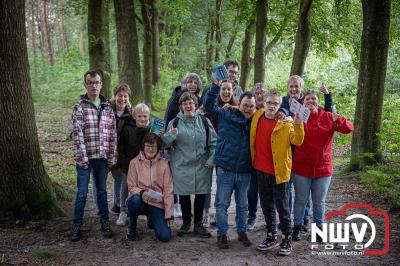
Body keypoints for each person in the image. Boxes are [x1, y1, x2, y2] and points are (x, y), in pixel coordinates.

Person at [291, 89, 353, 241]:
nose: (310, 102)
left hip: (323, 168)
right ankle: (297, 227)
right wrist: (296, 121)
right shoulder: (298, 117)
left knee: (319, 201)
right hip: (301, 167)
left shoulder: (327, 116)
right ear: (302, 102)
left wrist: (339, 119)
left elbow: (349, 129)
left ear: (318, 102)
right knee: (300, 200)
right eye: (307, 100)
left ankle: (319, 230)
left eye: (313, 99)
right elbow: (292, 137)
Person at [250, 91, 304, 256]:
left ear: (280, 105)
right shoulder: (257, 116)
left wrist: (298, 123)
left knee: (282, 207)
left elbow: (298, 141)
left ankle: (286, 238)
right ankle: (271, 235)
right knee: (266, 206)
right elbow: (241, 107)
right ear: (263, 103)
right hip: (260, 170)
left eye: (275, 103)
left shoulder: (286, 124)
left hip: (279, 172)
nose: (272, 106)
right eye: (269, 103)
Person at [204, 80, 256, 249]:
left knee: (242, 204)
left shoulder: (256, 122)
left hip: (244, 170)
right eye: (245, 105)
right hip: (225, 168)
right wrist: (214, 86)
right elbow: (208, 105)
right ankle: (222, 233)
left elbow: (272, 108)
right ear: (238, 104)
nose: (248, 109)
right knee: (222, 203)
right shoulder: (225, 114)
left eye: (251, 106)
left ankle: (242, 232)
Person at [279, 75, 333, 232]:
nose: (294, 89)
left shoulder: (306, 103)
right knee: (289, 191)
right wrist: (283, 112)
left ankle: (304, 220)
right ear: (287, 88)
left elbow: (326, 114)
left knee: (307, 195)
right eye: (291, 86)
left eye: (297, 87)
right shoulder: (284, 100)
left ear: (301, 88)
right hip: (288, 153)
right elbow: (280, 109)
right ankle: (288, 220)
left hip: (303, 154)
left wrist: (327, 96)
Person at [70, 69, 117, 242]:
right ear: (85, 85)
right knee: (82, 192)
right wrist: (82, 157)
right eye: (90, 83)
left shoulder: (107, 107)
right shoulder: (79, 106)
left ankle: (104, 222)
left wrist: (112, 156)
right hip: (85, 157)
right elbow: (77, 133)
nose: (94, 86)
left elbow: (112, 134)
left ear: (101, 85)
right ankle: (76, 224)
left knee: (102, 191)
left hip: (103, 158)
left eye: (96, 82)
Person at [162, 92, 217, 238]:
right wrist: (170, 135)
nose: (188, 106)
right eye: (185, 104)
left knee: (201, 193)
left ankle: (198, 224)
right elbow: (164, 144)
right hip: (181, 164)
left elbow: (214, 143)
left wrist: (212, 159)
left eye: (191, 103)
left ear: (195, 105)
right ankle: (186, 223)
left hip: (202, 163)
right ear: (181, 106)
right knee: (184, 194)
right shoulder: (174, 122)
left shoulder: (205, 121)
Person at [163, 73, 203, 218]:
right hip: (175, 138)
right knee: (175, 175)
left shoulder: (198, 99)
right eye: (189, 82)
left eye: (195, 82)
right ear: (184, 84)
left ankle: (197, 213)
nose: (192, 85)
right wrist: (168, 138)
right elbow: (168, 118)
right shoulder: (176, 98)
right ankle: (176, 204)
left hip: (192, 143)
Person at [200, 79, 238, 228]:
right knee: (207, 185)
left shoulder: (237, 109)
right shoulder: (211, 108)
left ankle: (219, 214)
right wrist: (215, 86)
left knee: (222, 186)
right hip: (209, 150)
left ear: (233, 91)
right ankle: (205, 214)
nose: (226, 92)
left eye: (229, 89)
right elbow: (208, 104)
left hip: (225, 154)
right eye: (223, 89)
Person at [126, 133, 174, 242]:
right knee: (134, 200)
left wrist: (169, 214)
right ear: (143, 146)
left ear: (158, 148)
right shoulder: (134, 162)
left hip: (156, 203)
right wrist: (142, 193)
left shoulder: (164, 164)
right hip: (140, 200)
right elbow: (131, 186)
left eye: (154, 146)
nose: (150, 149)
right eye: (148, 145)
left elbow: (168, 191)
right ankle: (132, 227)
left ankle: (152, 220)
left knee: (164, 236)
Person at [117, 103, 152, 226]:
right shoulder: (127, 129)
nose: (142, 119)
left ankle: (149, 213)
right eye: (140, 116)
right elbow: (120, 147)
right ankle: (123, 211)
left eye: (145, 116)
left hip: (147, 166)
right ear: (134, 116)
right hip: (128, 164)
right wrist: (124, 162)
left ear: (149, 116)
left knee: (147, 188)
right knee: (126, 187)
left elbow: (157, 147)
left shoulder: (153, 129)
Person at [246, 83, 269, 231]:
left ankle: (269, 218)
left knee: (267, 193)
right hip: (253, 159)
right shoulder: (250, 112)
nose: (259, 95)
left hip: (268, 159)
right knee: (252, 191)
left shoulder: (273, 111)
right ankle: (252, 216)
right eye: (257, 93)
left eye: (262, 93)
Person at [109, 84, 133, 221]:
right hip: (108, 149)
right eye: (120, 95)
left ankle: (118, 204)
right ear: (115, 96)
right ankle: (106, 209)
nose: (122, 98)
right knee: (104, 179)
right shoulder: (107, 108)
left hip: (123, 150)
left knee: (120, 178)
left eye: (125, 96)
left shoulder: (131, 111)